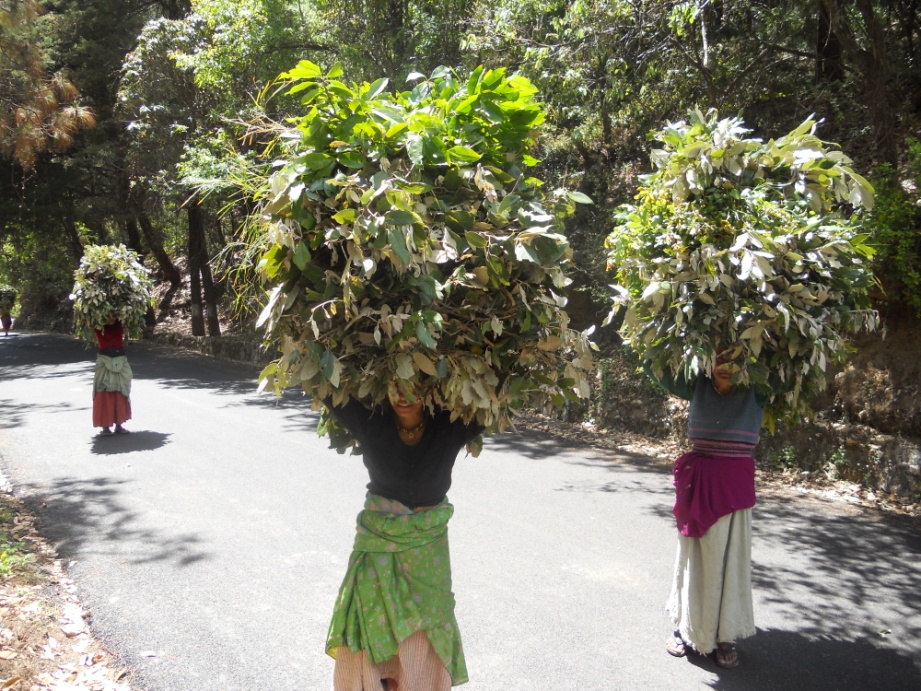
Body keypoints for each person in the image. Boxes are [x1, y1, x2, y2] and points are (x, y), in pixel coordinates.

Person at [324, 387, 484, 691]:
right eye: (396, 387)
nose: (403, 396)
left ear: (431, 391)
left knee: (426, 619)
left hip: (428, 547)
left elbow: (495, 396)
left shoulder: (449, 428)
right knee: (371, 611)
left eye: (415, 389)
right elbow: (330, 391)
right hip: (378, 537)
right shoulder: (371, 424)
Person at [646, 353, 766, 669]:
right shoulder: (695, 382)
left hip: (734, 482)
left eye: (735, 356)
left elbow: (791, 371)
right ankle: (685, 628)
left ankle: (725, 633)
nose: (726, 363)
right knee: (694, 556)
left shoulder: (759, 385)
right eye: (719, 356)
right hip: (699, 479)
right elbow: (654, 363)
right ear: (707, 360)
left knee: (731, 558)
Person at [93, 314, 133, 435]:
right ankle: (105, 426)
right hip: (104, 362)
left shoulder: (119, 326)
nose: (112, 319)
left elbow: (125, 316)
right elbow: (92, 321)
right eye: (108, 316)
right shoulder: (99, 327)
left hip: (120, 360)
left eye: (114, 316)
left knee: (120, 391)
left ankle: (119, 424)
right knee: (104, 392)